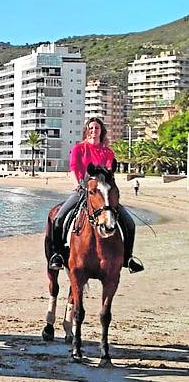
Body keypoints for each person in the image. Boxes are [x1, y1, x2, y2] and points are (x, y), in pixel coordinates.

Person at [48, 117, 143, 273]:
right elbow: (74, 168)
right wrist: (78, 185)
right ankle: (57, 254)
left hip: (102, 193)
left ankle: (128, 258)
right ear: (86, 130)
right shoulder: (79, 149)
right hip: (83, 189)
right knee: (59, 218)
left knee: (129, 223)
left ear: (101, 131)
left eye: (96, 128)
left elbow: (109, 173)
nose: (93, 131)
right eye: (91, 128)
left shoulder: (107, 151)